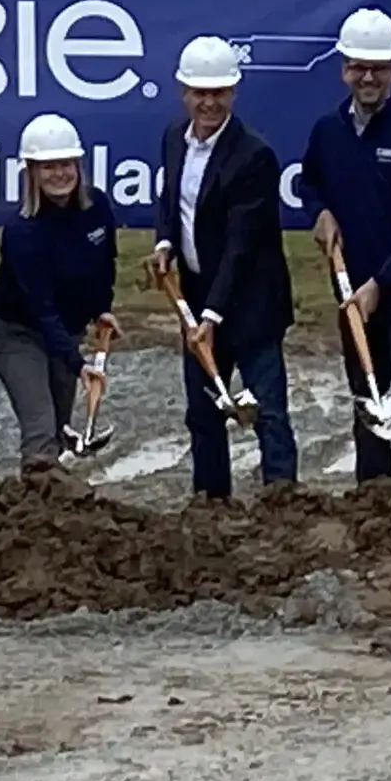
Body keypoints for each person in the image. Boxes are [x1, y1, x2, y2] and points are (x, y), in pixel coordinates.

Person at [297, 7, 391, 481]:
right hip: (351, 288)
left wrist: (381, 283)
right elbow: (308, 182)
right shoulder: (327, 131)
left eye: (378, 69)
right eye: (358, 67)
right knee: (367, 388)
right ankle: (376, 490)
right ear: (344, 69)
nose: (368, 77)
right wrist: (319, 212)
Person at [146, 35, 297, 499]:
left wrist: (212, 315)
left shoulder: (253, 156)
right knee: (203, 412)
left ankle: (283, 504)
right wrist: (166, 242)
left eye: (218, 93)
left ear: (233, 93)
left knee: (266, 410)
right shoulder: (175, 138)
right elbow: (172, 201)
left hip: (249, 305)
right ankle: (211, 504)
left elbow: (241, 246)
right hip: (196, 298)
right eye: (200, 93)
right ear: (183, 92)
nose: (208, 102)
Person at [0, 113, 121, 471]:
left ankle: (54, 512)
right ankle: (33, 511)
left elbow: (104, 264)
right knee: (41, 426)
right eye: (47, 167)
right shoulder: (22, 232)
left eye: (66, 164)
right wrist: (79, 365)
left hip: (66, 327)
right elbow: (41, 309)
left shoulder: (98, 207)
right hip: (17, 332)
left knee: (60, 425)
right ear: (31, 171)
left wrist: (101, 309)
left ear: (78, 165)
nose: (59, 174)